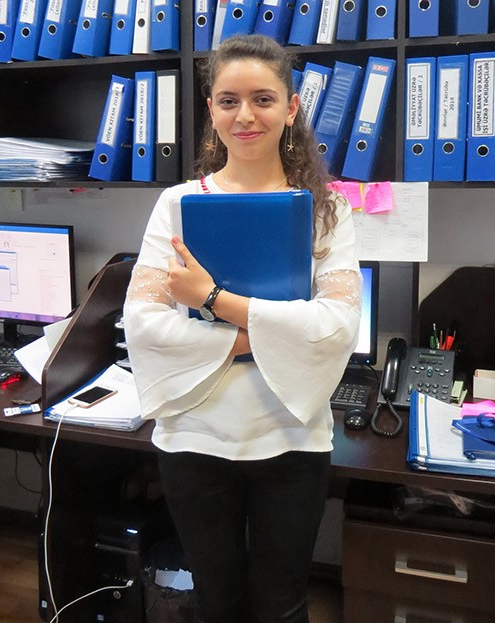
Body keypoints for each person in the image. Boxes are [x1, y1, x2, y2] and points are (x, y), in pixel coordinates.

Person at [124, 34, 361, 623]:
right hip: (194, 436)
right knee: (217, 603)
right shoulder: (177, 205)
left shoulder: (327, 210)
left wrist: (212, 300)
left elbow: (337, 327)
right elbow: (144, 324)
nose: (246, 115)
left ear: (291, 108)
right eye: (229, 101)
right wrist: (265, 336)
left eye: (263, 98)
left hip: (292, 437)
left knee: (283, 607)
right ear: (212, 110)